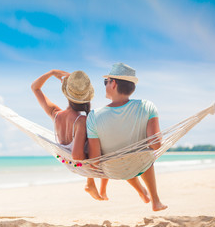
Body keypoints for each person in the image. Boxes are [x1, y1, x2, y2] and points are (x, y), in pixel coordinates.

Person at [86, 63, 168, 211]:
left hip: (112, 170)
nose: (105, 85)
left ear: (114, 83)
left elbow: (95, 160)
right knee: (141, 153)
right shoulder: (147, 106)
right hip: (141, 164)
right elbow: (156, 145)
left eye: (106, 82)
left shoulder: (93, 116)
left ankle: (145, 194)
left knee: (122, 155)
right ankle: (155, 201)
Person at [31, 69, 104, 200]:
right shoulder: (81, 121)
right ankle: (91, 182)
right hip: (80, 164)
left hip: (65, 160)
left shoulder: (55, 113)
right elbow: (77, 156)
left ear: (67, 95)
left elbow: (35, 88)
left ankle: (90, 183)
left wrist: (51, 73)